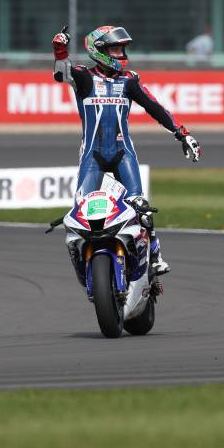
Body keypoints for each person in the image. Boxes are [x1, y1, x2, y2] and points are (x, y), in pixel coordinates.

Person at [52, 25, 202, 276]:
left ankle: (154, 255)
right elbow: (61, 75)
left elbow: (156, 108)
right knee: (80, 212)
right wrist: (60, 51)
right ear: (99, 50)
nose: (121, 54)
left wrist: (182, 133)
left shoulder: (129, 80)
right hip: (92, 156)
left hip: (123, 154)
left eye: (122, 48)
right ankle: (82, 261)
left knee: (141, 208)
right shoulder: (83, 77)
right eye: (115, 48)